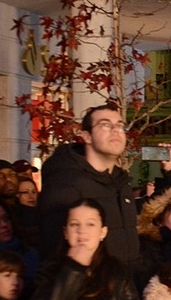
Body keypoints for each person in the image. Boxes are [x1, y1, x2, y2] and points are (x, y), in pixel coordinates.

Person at [38, 104, 140, 264]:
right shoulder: (66, 183)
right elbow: (53, 251)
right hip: (91, 285)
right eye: (105, 125)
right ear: (86, 136)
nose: (115, 130)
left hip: (125, 284)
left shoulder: (121, 183)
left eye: (120, 126)